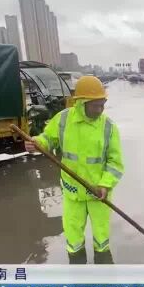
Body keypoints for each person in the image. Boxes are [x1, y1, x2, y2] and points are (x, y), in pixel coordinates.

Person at [25, 76, 124, 264]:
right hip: (72, 193)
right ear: (82, 103)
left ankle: (104, 277)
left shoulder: (108, 127)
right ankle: (78, 273)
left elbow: (116, 162)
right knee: (73, 239)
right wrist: (38, 143)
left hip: (98, 194)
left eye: (103, 104)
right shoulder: (63, 119)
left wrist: (105, 184)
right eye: (96, 105)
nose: (101, 109)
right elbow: (49, 139)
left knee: (101, 240)